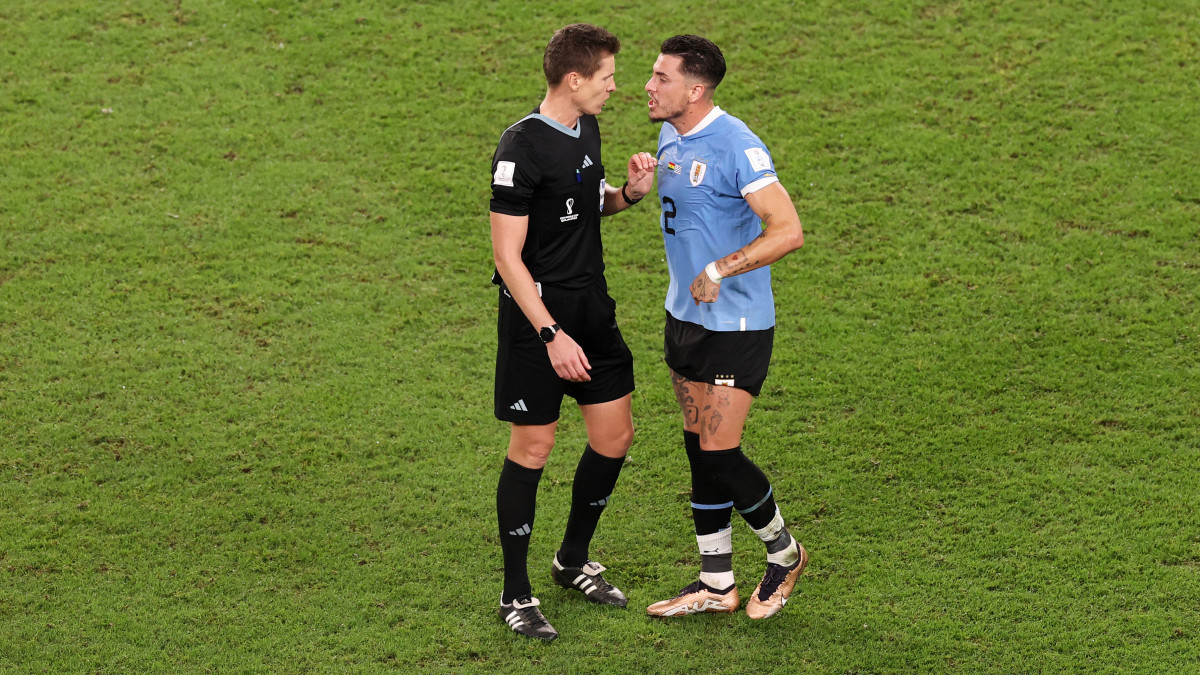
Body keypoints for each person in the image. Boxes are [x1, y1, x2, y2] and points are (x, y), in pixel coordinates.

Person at [488, 23, 657, 641]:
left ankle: (571, 560)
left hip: (593, 309)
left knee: (615, 437)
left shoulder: (587, 125)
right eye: (608, 76)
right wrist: (552, 335)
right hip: (540, 322)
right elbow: (509, 257)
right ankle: (515, 594)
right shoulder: (520, 149)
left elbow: (586, 207)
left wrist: (628, 195)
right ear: (574, 79)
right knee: (534, 448)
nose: (617, 87)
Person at [641, 35, 808, 620]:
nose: (648, 86)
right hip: (683, 318)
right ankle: (716, 585)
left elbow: (787, 230)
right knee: (699, 452)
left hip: (736, 324)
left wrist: (720, 267)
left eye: (661, 77)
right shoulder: (670, 134)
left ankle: (784, 555)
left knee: (720, 450)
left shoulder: (738, 145)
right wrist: (636, 188)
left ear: (696, 88)